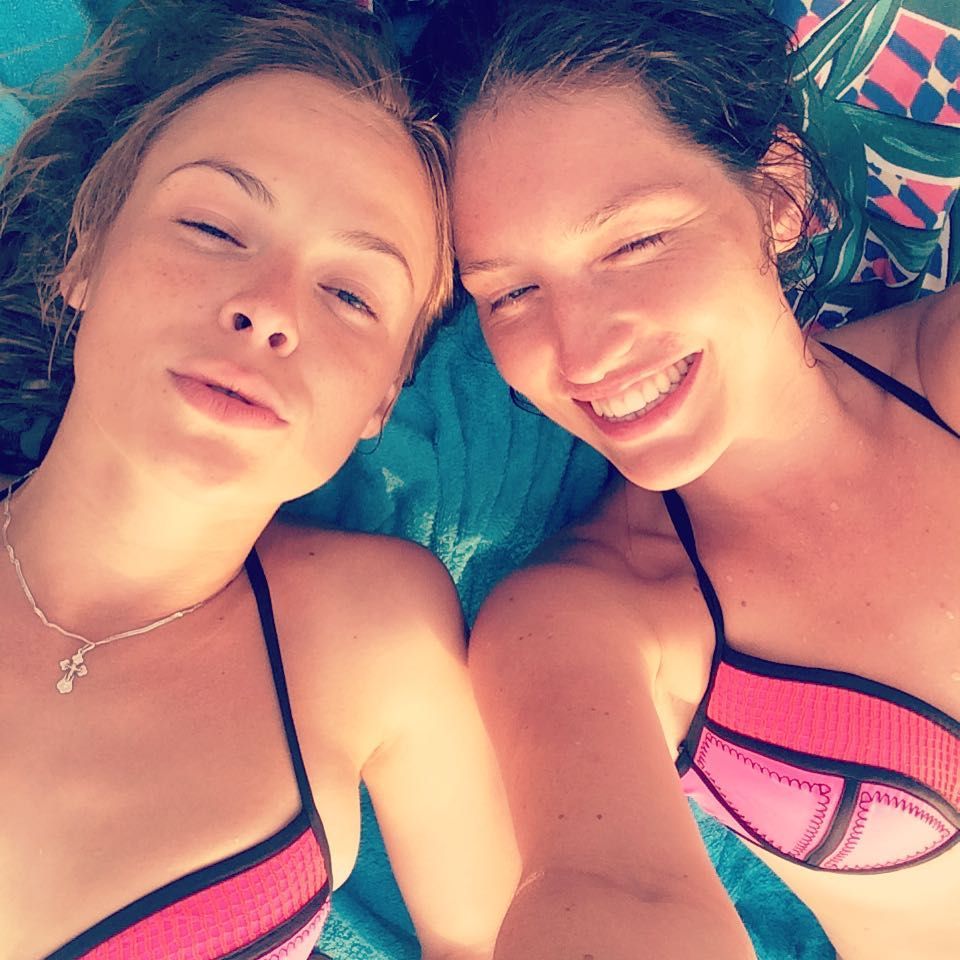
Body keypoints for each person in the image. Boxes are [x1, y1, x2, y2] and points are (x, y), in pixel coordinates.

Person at [0, 2, 519, 958]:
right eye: (212, 226)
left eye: (350, 294)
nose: (269, 310)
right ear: (86, 257)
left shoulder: (374, 637)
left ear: (383, 398)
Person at [447, 1, 960, 958]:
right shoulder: (586, 619)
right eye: (511, 292)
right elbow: (608, 892)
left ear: (777, 194)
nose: (582, 352)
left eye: (632, 243)